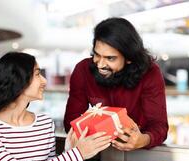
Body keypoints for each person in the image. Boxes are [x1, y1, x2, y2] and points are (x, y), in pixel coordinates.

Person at [64, 17, 168, 151]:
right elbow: (71, 121)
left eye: (110, 58)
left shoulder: (150, 73)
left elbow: (159, 126)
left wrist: (143, 140)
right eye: (97, 55)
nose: (100, 64)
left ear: (129, 58)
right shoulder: (83, 70)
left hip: (140, 153)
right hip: (96, 151)